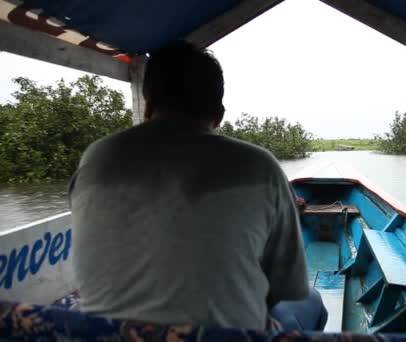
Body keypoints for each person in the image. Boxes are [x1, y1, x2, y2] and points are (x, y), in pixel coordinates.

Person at [69, 40, 326, 331]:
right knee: (312, 301)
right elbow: (287, 287)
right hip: (220, 338)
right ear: (218, 115)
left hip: (107, 335)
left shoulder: (97, 157)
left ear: (149, 103)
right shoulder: (258, 165)